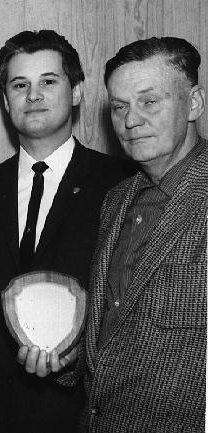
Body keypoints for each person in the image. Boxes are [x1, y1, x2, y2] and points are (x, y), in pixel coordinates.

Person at [0, 30, 133, 432]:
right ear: (4, 100)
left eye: (48, 81)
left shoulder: (121, 185)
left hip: (76, 414)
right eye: (19, 84)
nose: (33, 95)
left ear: (77, 92)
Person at [75, 36, 206, 432]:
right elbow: (114, 333)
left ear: (194, 104)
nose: (131, 121)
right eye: (119, 107)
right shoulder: (116, 200)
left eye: (149, 102)